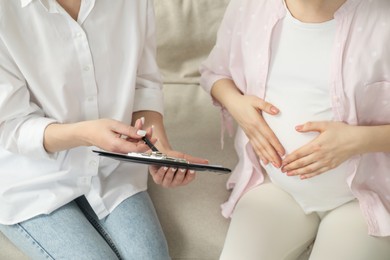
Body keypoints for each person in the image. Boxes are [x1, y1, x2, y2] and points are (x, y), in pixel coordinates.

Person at [0, 0, 206, 259]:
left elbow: (143, 85)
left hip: (112, 169)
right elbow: (12, 125)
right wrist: (86, 134)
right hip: (31, 178)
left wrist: (159, 150)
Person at [200, 0, 390, 259]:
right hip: (276, 188)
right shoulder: (250, 6)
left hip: (364, 199)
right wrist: (237, 104)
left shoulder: (382, 18)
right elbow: (214, 73)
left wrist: (358, 140)